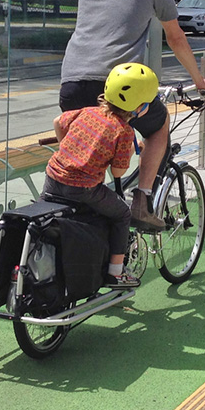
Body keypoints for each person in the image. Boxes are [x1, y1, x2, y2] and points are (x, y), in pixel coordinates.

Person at [59, 0, 205, 231]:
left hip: (72, 82)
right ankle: (142, 202)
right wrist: (200, 82)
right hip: (118, 86)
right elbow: (175, 37)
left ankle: (93, 206)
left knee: (98, 138)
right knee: (158, 127)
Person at [43, 63, 159, 288]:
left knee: (44, 218)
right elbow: (117, 172)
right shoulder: (124, 131)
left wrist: (66, 147)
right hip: (84, 189)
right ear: (139, 107)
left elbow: (58, 122)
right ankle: (115, 273)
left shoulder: (88, 112)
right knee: (122, 214)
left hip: (53, 177)